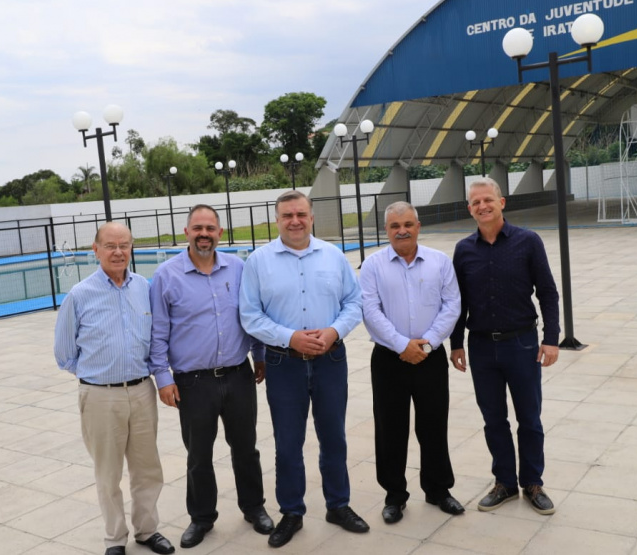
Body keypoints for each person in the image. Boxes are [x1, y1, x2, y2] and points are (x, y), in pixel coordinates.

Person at [239, 190, 368, 548]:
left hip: (331, 361)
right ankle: (292, 512)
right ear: (277, 220)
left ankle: (338, 505)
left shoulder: (333, 256)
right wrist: (290, 337)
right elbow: (250, 315)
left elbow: (354, 303)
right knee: (288, 443)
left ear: (311, 217)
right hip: (284, 364)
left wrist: (334, 331)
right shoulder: (258, 262)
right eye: (287, 216)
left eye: (300, 214)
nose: (294, 221)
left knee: (334, 437)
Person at [149, 205, 274, 549]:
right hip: (193, 383)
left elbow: (252, 316)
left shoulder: (238, 268)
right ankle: (202, 517)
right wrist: (163, 378)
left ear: (220, 232)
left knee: (246, 448)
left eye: (210, 228)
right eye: (197, 228)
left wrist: (259, 355)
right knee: (199, 455)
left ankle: (254, 507)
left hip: (238, 375)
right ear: (186, 232)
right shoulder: (166, 276)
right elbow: (158, 332)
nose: (204, 234)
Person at [54, 222, 175, 555]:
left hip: (142, 391)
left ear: (132, 247)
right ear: (96, 250)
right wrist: (97, 375)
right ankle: (115, 538)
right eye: (110, 246)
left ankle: (147, 531)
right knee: (108, 474)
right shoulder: (79, 295)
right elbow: (64, 354)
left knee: (147, 468)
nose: (118, 252)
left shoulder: (144, 288)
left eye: (124, 245)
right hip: (99, 396)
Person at [449, 178, 560, 516]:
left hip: (522, 344)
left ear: (501, 202)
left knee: (530, 418)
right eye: (476, 202)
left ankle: (533, 483)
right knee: (494, 420)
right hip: (482, 347)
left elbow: (547, 292)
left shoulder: (528, 241)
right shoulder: (463, 250)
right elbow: (458, 302)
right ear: (469, 209)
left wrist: (551, 338)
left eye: (488, 200)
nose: (482, 206)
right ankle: (505, 483)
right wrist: (456, 344)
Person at [360, 201, 464, 525]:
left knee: (434, 425)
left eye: (407, 224)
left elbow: (452, 305)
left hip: (430, 357)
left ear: (418, 227)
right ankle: (394, 495)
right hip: (389, 359)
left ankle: (438, 489)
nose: (402, 230)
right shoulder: (373, 265)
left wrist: (427, 343)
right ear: (386, 230)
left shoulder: (439, 261)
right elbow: (370, 310)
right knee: (390, 428)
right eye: (395, 226)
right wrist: (401, 345)